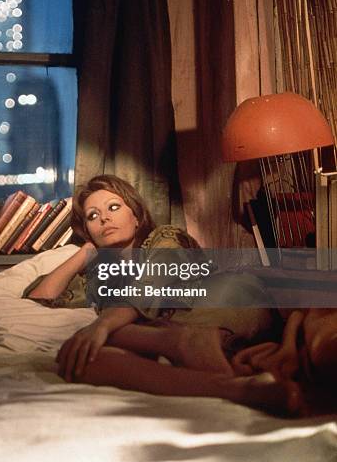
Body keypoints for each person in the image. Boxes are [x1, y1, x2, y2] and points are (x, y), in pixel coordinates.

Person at [24, 174, 335, 415]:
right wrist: (83, 254)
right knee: (76, 358)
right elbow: (40, 297)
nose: (104, 218)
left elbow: (154, 285)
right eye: (92, 216)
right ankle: (237, 389)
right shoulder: (96, 279)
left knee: (108, 335)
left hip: (224, 304)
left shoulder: (165, 239)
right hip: (174, 339)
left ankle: (193, 350)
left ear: (136, 215)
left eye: (113, 207)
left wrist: (102, 326)